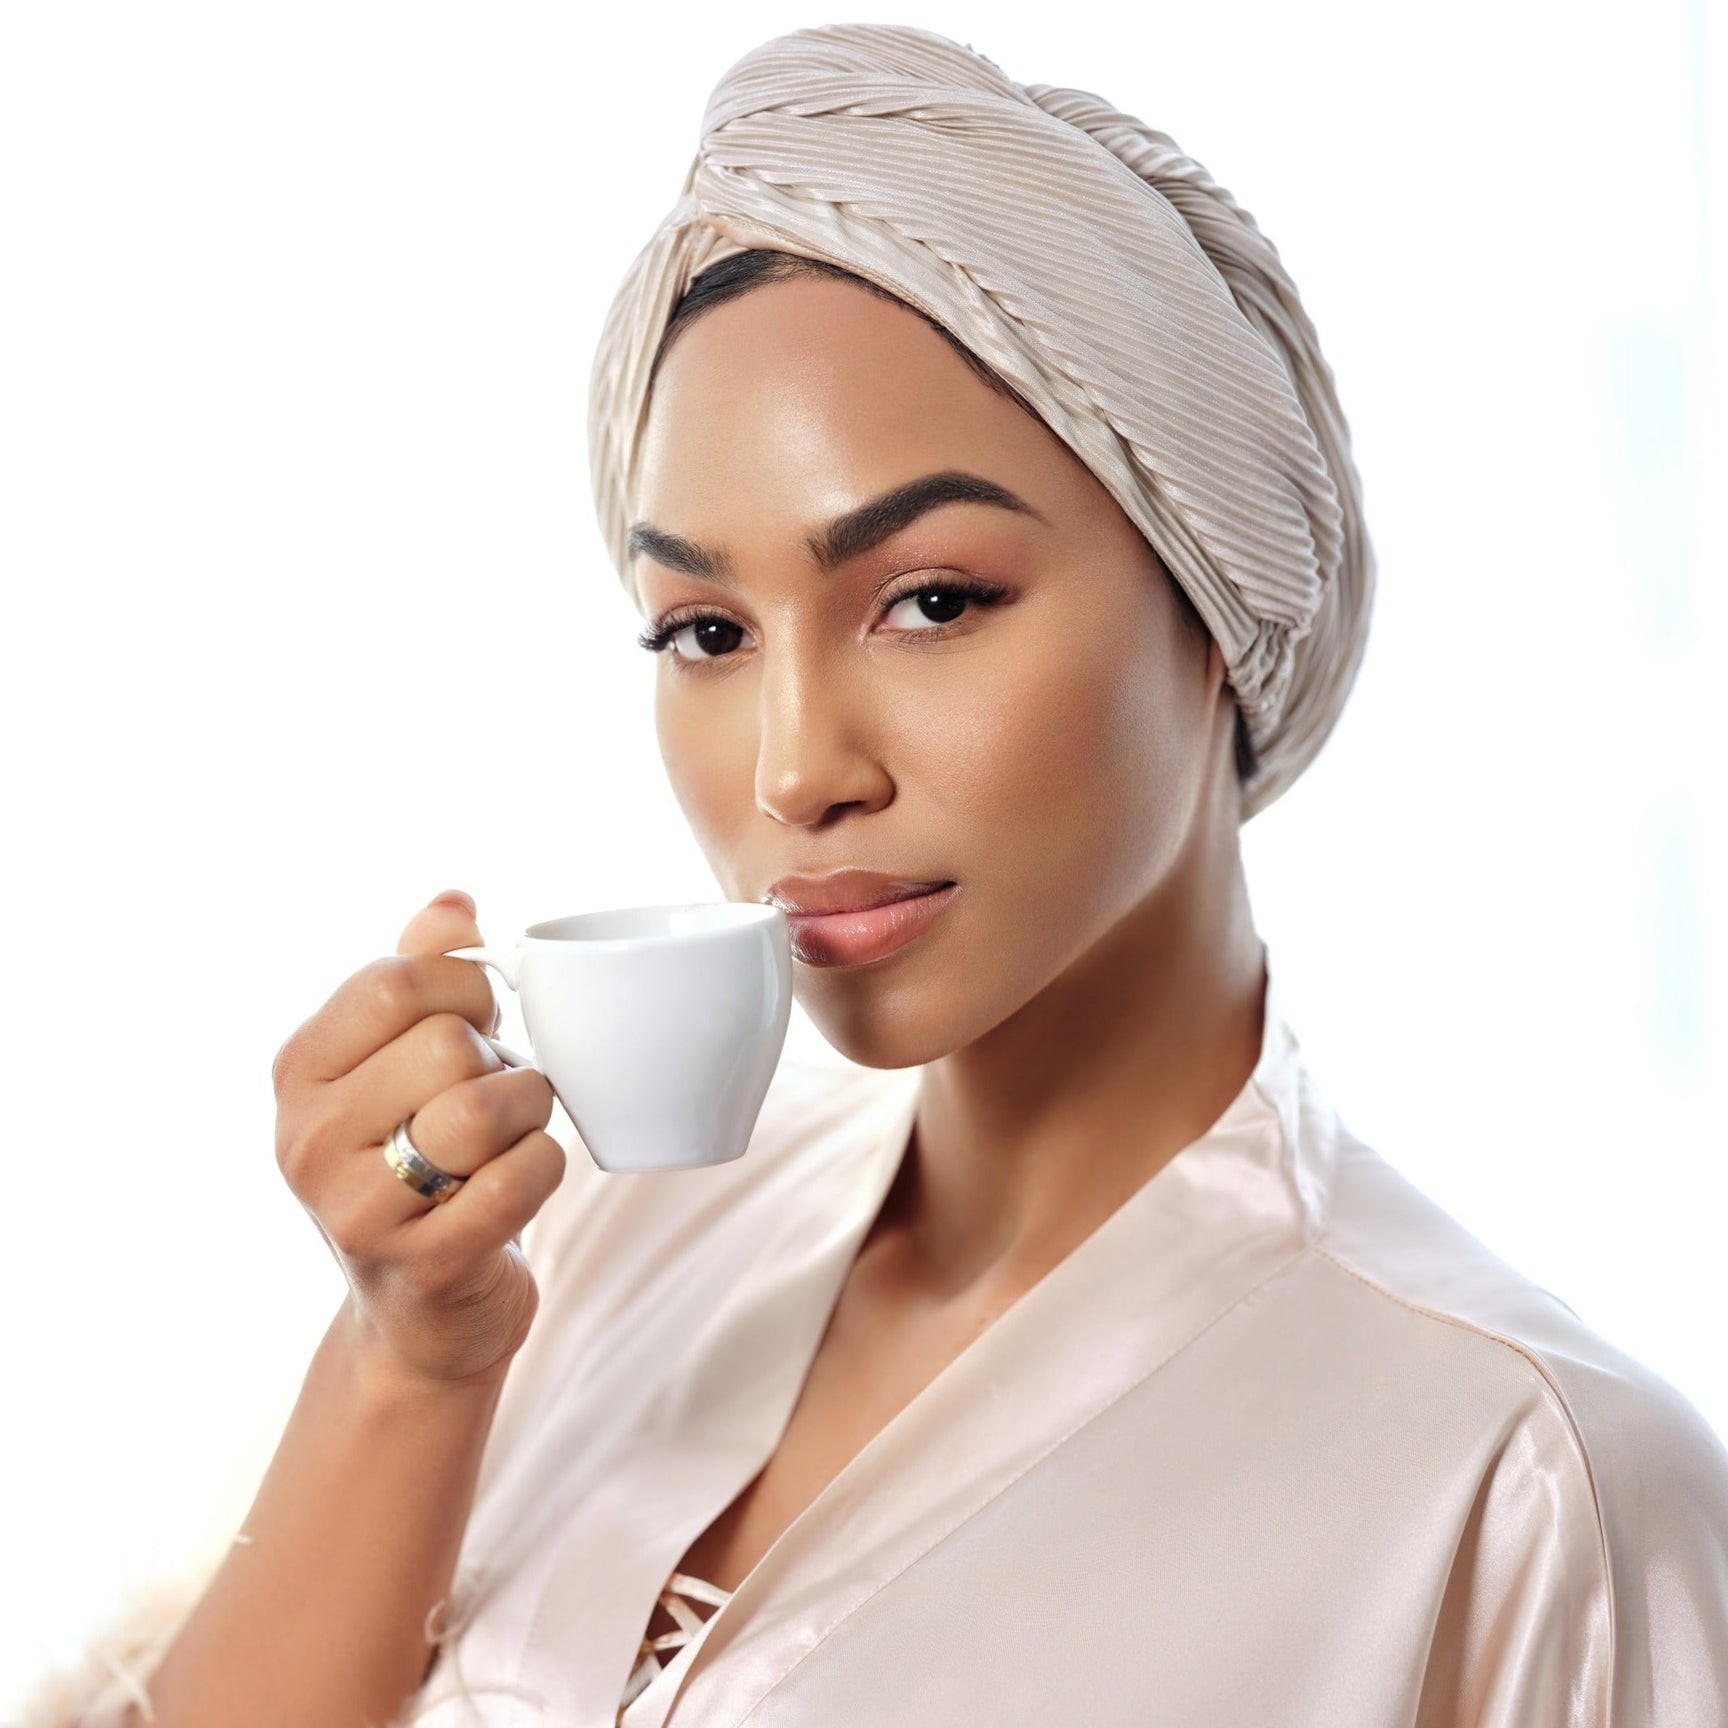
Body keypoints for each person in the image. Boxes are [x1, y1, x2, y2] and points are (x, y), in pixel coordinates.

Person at [20, 21, 1728, 1728]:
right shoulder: (585, 1254)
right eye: (704, 630)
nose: (791, 770)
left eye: (929, 600)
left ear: (1216, 608)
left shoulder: (1530, 1486)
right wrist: (409, 1364)